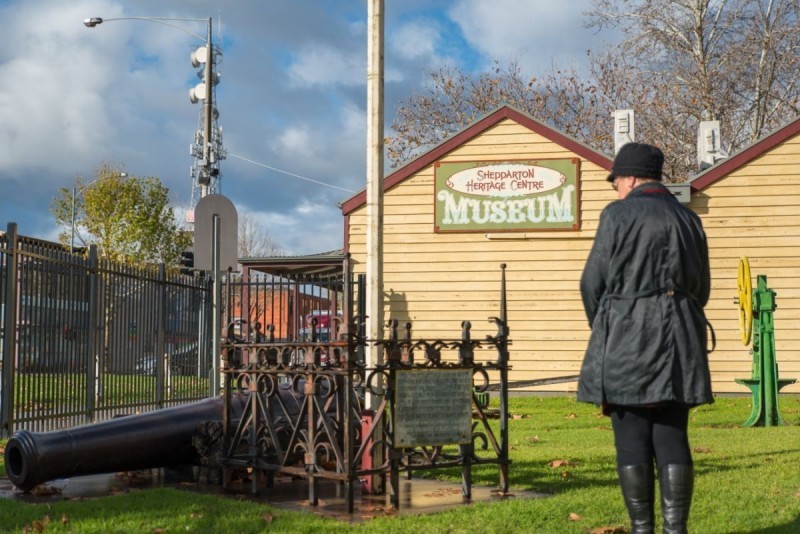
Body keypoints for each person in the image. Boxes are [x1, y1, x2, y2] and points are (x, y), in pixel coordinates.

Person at [578, 142, 713, 534]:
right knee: (673, 436)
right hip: (681, 338)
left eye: (616, 180)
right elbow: (701, 288)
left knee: (631, 436)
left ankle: (641, 529)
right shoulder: (689, 219)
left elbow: (591, 284)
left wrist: (608, 325)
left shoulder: (617, 214)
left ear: (631, 177)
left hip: (627, 339)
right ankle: (676, 531)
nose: (616, 187)